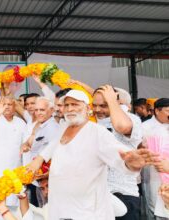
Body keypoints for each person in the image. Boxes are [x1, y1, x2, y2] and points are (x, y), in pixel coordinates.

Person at [27, 90, 157, 220]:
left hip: (88, 211)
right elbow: (50, 147)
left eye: (75, 104)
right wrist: (38, 160)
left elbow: (118, 154)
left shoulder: (97, 132)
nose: (70, 108)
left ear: (87, 108)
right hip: (61, 208)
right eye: (66, 105)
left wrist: (131, 162)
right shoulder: (64, 128)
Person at [93, 85, 143, 220]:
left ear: (116, 103)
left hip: (123, 193)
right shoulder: (92, 124)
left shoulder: (131, 119)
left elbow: (122, 127)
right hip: (96, 196)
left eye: (103, 105)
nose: (97, 110)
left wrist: (111, 100)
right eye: (95, 105)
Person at [20, 97, 60, 207]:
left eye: (42, 110)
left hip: (47, 182)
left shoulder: (53, 128)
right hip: (36, 179)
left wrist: (46, 175)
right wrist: (26, 145)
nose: (38, 113)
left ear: (51, 110)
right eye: (36, 110)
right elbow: (30, 143)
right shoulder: (40, 125)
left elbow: (56, 154)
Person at [0, 96, 26, 206]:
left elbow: (25, 144)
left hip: (15, 166)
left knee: (13, 199)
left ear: (15, 107)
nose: (7, 107)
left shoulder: (21, 123)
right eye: (4, 104)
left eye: (10, 104)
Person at [141, 98, 169, 219]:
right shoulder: (145, 127)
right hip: (153, 174)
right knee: (154, 204)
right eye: (168, 111)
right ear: (157, 111)